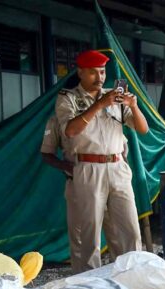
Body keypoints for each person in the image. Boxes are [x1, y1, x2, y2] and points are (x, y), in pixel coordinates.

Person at [56, 50, 148, 273]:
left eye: (102, 72)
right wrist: (99, 105)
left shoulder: (115, 96)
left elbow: (143, 129)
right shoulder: (68, 98)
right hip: (88, 168)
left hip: (117, 167)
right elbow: (70, 131)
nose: (99, 78)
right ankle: (88, 284)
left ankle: (131, 276)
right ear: (80, 73)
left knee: (130, 230)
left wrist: (133, 105)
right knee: (89, 234)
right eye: (93, 73)